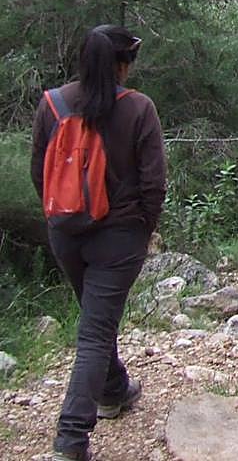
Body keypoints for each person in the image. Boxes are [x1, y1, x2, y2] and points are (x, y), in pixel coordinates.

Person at [31, 25, 165, 461]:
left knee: (95, 320)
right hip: (119, 236)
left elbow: (39, 173)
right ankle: (71, 439)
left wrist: (61, 216)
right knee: (94, 333)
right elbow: (153, 183)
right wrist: (142, 229)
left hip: (65, 231)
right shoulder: (139, 108)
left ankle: (113, 389)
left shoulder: (51, 104)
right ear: (123, 64)